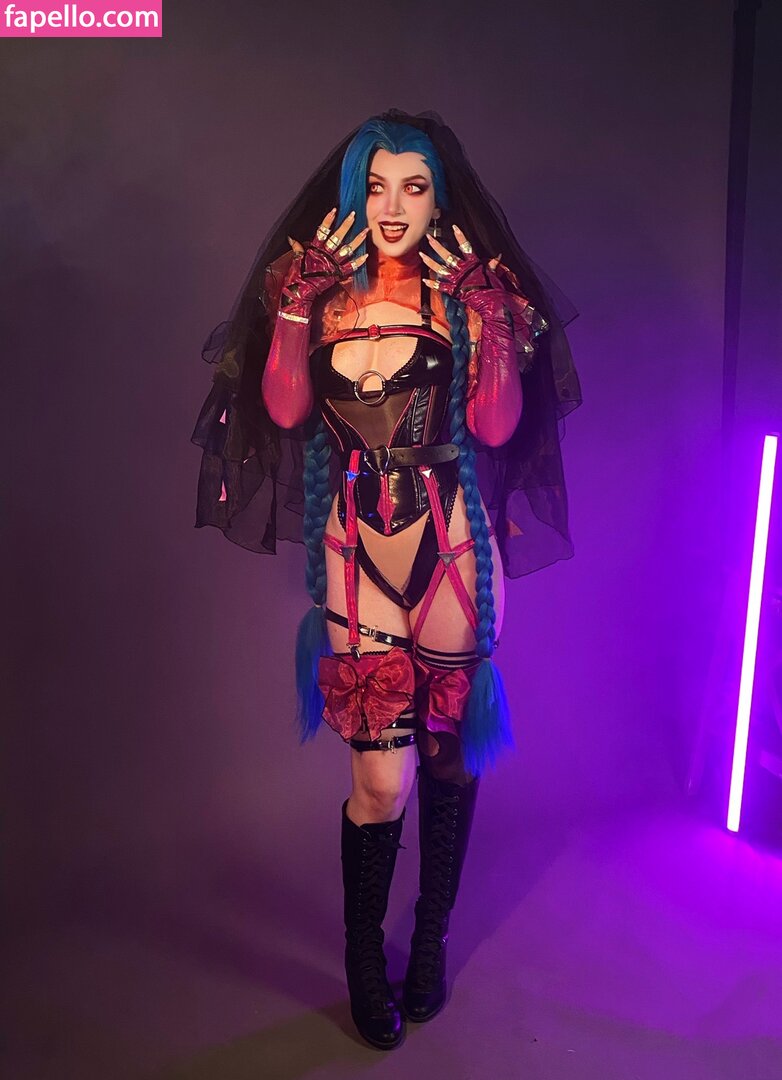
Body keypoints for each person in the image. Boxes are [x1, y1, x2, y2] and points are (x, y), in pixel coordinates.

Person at [192, 108, 581, 1051]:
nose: (393, 206)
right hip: (354, 550)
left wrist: (488, 319)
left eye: (414, 186)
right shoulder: (321, 298)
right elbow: (285, 408)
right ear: (353, 196)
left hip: (453, 547)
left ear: (440, 200)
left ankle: (431, 939)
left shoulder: (464, 299)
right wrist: (293, 309)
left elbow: (494, 428)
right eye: (376, 186)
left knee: (445, 757)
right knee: (380, 782)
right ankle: (364, 960)